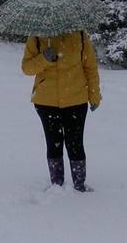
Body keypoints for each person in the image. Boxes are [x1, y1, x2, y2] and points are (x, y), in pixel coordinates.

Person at [21, 30, 102, 192]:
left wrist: (94, 95)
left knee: (75, 143)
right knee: (53, 143)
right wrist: (44, 58)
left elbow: (90, 68)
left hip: (76, 99)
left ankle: (79, 185)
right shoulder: (36, 36)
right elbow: (27, 68)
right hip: (46, 101)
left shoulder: (80, 35)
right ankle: (57, 185)